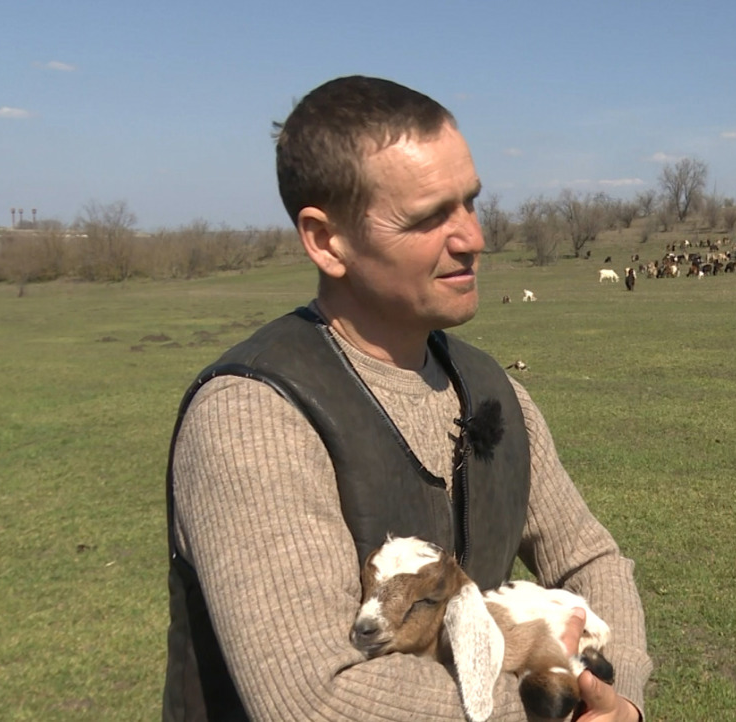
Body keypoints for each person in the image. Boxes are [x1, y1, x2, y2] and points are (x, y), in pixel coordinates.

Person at [163, 75, 651, 721]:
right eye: (428, 216)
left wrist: (621, 701)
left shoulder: (493, 391)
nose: (473, 238)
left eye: (470, 202)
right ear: (326, 239)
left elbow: (591, 561)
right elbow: (317, 700)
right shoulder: (252, 415)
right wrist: (550, 706)